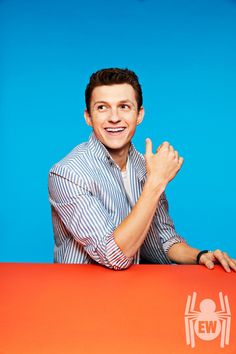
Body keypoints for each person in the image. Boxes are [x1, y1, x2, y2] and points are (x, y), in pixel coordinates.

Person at [48, 67, 236, 272]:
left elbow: (163, 240)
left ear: (139, 114)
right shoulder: (67, 174)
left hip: (135, 293)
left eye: (124, 107)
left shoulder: (145, 166)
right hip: (81, 296)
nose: (114, 118)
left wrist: (200, 256)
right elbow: (114, 256)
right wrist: (156, 182)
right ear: (88, 117)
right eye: (102, 107)